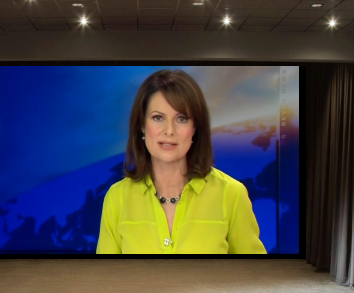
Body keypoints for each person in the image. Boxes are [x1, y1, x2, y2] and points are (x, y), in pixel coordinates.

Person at [97, 69, 266, 254]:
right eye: (158, 118)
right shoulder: (117, 198)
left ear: (195, 128)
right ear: (142, 125)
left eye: (181, 119)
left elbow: (254, 271)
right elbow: (105, 273)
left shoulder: (231, 195)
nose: (169, 130)